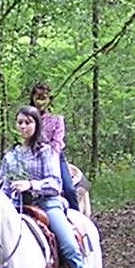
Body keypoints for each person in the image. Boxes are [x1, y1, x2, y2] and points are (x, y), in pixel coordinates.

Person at [0, 104, 95, 268]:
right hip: (15, 206)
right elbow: (1, 184)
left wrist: (30, 185)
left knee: (68, 244)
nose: (23, 126)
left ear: (36, 125)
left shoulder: (47, 152)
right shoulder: (11, 156)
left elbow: (55, 183)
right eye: (20, 122)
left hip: (47, 204)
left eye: (28, 122)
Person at [29, 80, 80, 212]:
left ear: (49, 100)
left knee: (69, 189)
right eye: (37, 98)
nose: (40, 102)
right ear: (33, 98)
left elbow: (57, 142)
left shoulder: (56, 118)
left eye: (43, 98)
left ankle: (76, 216)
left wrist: (47, 152)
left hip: (54, 157)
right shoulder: (28, 118)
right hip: (31, 156)